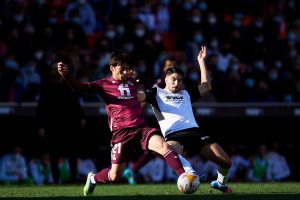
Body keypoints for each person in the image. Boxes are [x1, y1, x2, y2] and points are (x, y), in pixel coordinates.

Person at [56, 51, 186, 196]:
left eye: (126, 68)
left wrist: (136, 80)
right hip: (121, 133)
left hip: (141, 128)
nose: (124, 71)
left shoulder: (132, 81)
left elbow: (144, 90)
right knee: (114, 175)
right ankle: (92, 179)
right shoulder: (103, 84)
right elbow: (81, 88)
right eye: (121, 68)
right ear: (112, 68)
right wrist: (66, 75)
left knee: (164, 146)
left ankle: (184, 177)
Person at [136, 46, 233, 193]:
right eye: (173, 80)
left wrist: (201, 61)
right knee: (169, 149)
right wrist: (126, 86)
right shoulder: (156, 93)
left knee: (226, 162)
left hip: (195, 133)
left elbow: (206, 87)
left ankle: (220, 183)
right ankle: (190, 174)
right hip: (174, 135)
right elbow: (139, 96)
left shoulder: (186, 94)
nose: (177, 83)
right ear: (166, 79)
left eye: (180, 80)